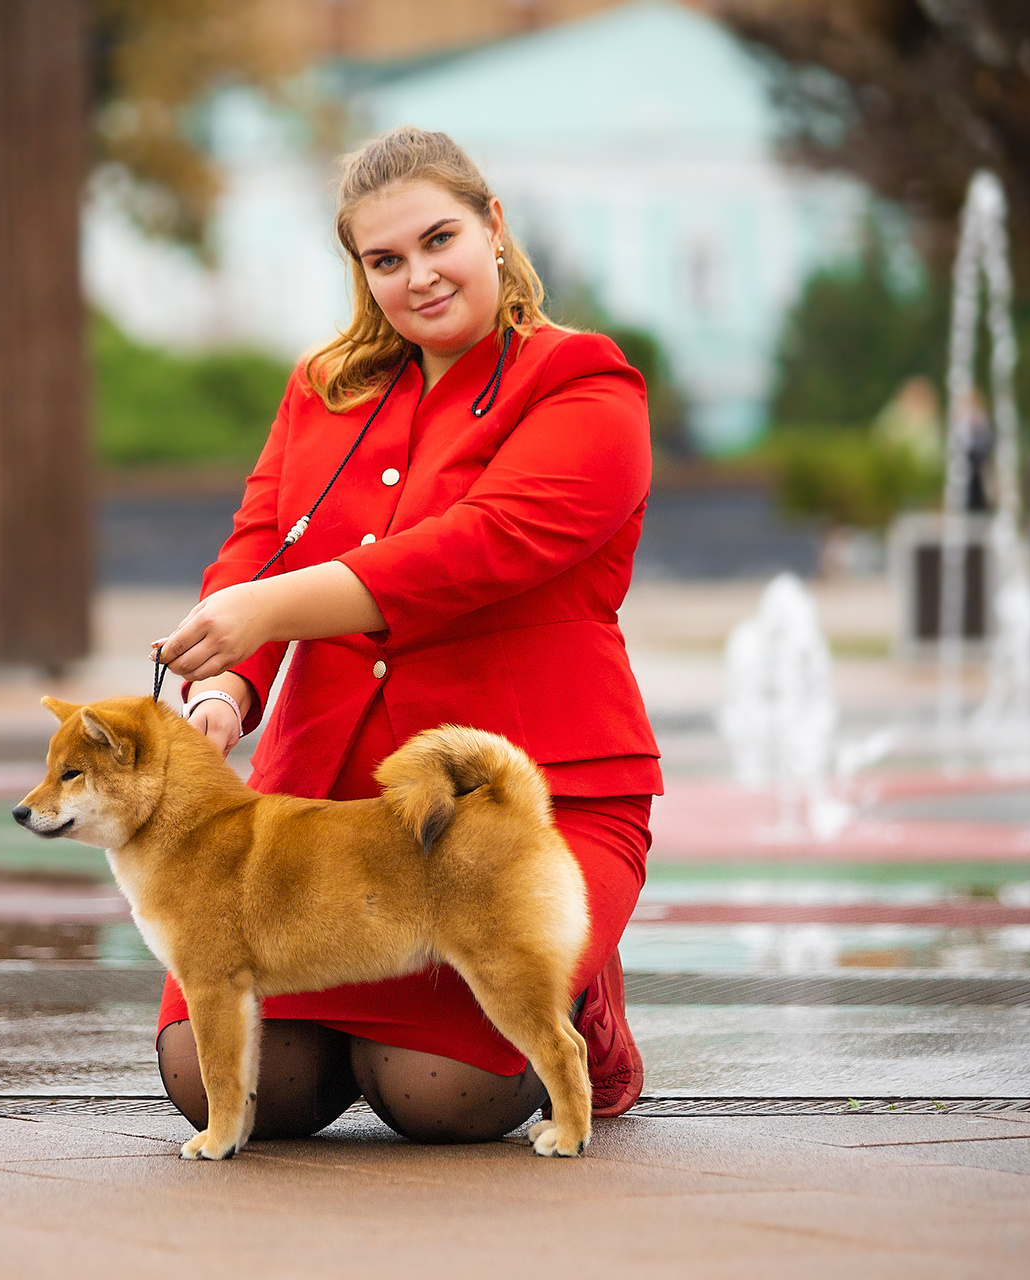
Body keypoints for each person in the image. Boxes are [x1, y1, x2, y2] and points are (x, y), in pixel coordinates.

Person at [148, 126, 661, 1145]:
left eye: (439, 240)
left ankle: (588, 1004)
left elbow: (482, 547)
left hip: (522, 800)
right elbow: (260, 544)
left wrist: (269, 610)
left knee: (439, 1094)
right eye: (385, 260)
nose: (418, 277)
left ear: (493, 225)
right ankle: (366, 1026)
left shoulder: (584, 382)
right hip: (325, 808)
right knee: (223, 1083)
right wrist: (224, 690)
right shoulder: (323, 387)